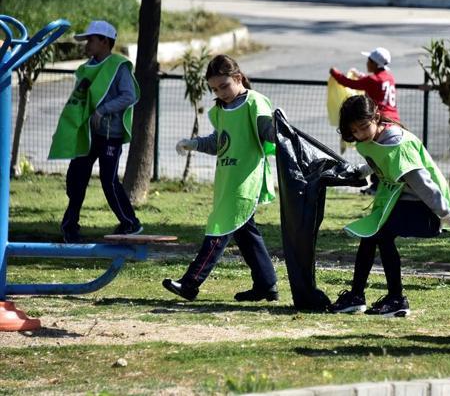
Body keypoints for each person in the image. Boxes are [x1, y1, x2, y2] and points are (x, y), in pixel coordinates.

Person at [328, 95, 450, 317]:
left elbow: (423, 184)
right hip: (401, 201)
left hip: (427, 207)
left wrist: (446, 213)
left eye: (364, 127)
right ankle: (358, 296)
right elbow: (375, 160)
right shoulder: (370, 140)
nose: (360, 134)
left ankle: (395, 299)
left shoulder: (396, 143)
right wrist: (361, 171)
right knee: (372, 234)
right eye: (354, 131)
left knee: (380, 233)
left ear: (376, 117)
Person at [162, 54, 278, 303]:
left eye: (224, 85)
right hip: (227, 180)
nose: (220, 92)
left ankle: (190, 284)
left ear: (238, 78)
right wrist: (193, 144)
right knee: (245, 233)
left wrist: (277, 128)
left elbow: (267, 132)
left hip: (246, 180)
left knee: (219, 229)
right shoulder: (221, 110)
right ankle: (266, 285)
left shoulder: (254, 102)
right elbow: (219, 142)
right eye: (214, 88)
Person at [49, 20, 141, 243]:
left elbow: (129, 96)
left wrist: (103, 110)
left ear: (104, 41)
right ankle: (70, 227)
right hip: (88, 135)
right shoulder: (87, 68)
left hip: (111, 135)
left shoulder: (119, 66)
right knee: (76, 178)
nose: (86, 44)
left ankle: (131, 223)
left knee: (108, 180)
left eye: (90, 40)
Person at [330, 47, 399, 194]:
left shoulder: (371, 80)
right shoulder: (389, 77)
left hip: (379, 122)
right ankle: (382, 184)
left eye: (369, 60)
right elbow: (371, 82)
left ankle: (375, 186)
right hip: (394, 122)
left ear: (374, 63)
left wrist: (335, 73)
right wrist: (360, 75)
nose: (367, 63)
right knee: (386, 155)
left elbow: (349, 83)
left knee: (375, 153)